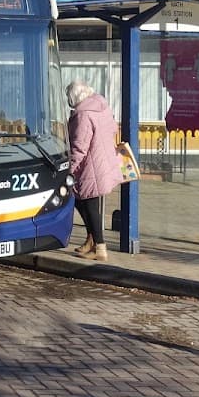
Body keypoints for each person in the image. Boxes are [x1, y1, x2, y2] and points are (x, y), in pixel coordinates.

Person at [66, 80, 122, 261]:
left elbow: (79, 147)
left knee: (89, 205)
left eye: (69, 97)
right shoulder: (101, 108)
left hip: (90, 166)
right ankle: (91, 241)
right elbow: (113, 129)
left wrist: (69, 169)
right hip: (102, 162)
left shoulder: (83, 115)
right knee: (85, 203)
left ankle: (100, 247)